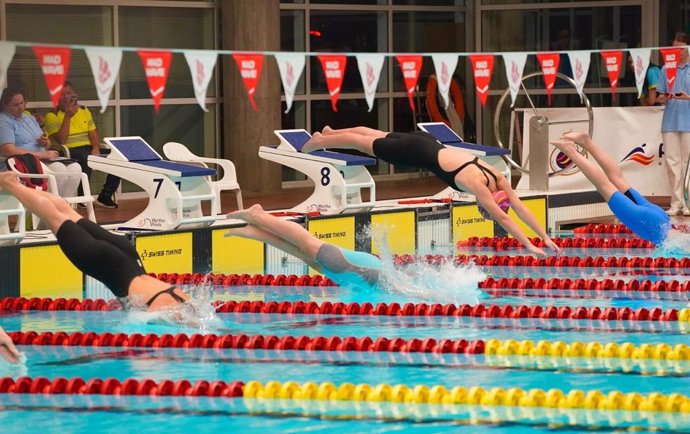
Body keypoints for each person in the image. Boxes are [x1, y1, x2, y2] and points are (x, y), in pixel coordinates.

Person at [301, 126, 560, 257]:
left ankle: (331, 132)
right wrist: (528, 245)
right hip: (417, 152)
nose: (485, 209)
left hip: (428, 143)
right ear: (488, 203)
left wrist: (545, 237)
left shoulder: (497, 178)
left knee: (376, 134)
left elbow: (520, 208)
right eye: (485, 209)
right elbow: (505, 217)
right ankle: (322, 141)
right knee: (366, 144)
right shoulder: (479, 188)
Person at [0, 170, 191, 312]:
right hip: (106, 263)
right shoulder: (167, 313)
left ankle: (16, 185)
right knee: (54, 218)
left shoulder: (185, 300)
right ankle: (10, 184)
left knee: (66, 212)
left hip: (129, 257)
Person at [551, 131, 670, 244]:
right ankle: (570, 150)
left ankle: (586, 141)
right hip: (650, 226)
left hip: (662, 218)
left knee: (618, 179)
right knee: (604, 186)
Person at [225, 204, 381, 287]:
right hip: (361, 270)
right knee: (309, 245)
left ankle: (255, 232)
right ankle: (258, 215)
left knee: (308, 258)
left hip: (355, 279)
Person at [45, 81, 120, 209]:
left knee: (117, 157)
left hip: (88, 147)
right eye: (62, 94)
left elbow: (93, 133)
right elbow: (62, 140)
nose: (66, 97)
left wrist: (96, 147)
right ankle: (82, 196)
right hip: (69, 149)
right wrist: (68, 116)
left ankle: (105, 196)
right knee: (85, 157)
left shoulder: (84, 110)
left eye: (69, 93)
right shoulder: (51, 115)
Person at [0, 87, 81, 198]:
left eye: (22, 103)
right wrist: (42, 154)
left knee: (75, 168)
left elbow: (47, 144)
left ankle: (65, 206)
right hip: (24, 163)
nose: (21, 108)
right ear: (5, 105)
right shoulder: (3, 121)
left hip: (42, 159)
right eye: (15, 105)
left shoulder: (29, 118)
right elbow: (8, 150)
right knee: (59, 169)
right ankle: (50, 209)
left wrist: (45, 142)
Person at [657, 32, 690, 216]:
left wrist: (687, 98)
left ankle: (688, 203)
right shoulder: (665, 69)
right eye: (674, 48)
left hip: (689, 121)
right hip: (670, 121)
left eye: (681, 48)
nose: (678, 51)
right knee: (672, 163)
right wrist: (666, 97)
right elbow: (659, 96)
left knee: (688, 163)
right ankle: (676, 202)